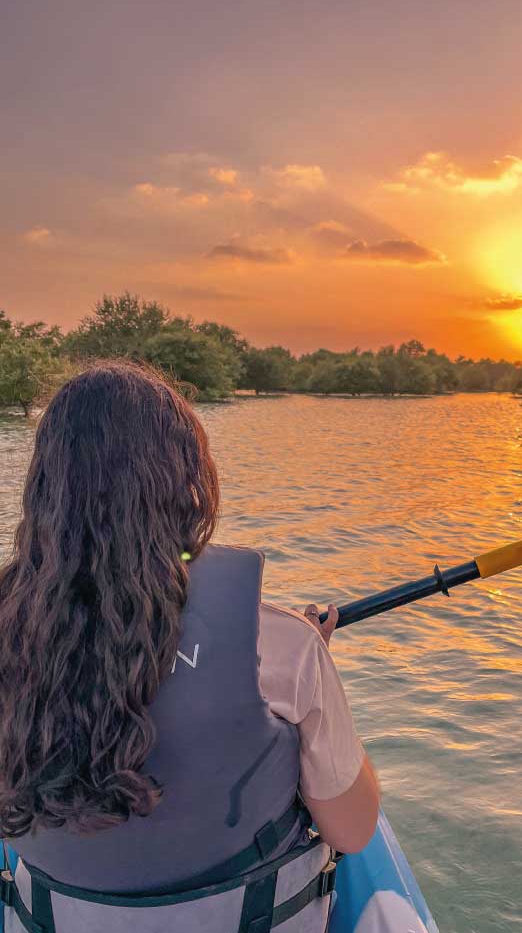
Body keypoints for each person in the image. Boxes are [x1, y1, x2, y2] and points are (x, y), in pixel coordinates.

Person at [0, 362, 380, 932]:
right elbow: (352, 832)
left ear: (46, 488)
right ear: (186, 481)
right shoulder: (284, 645)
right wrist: (309, 657)